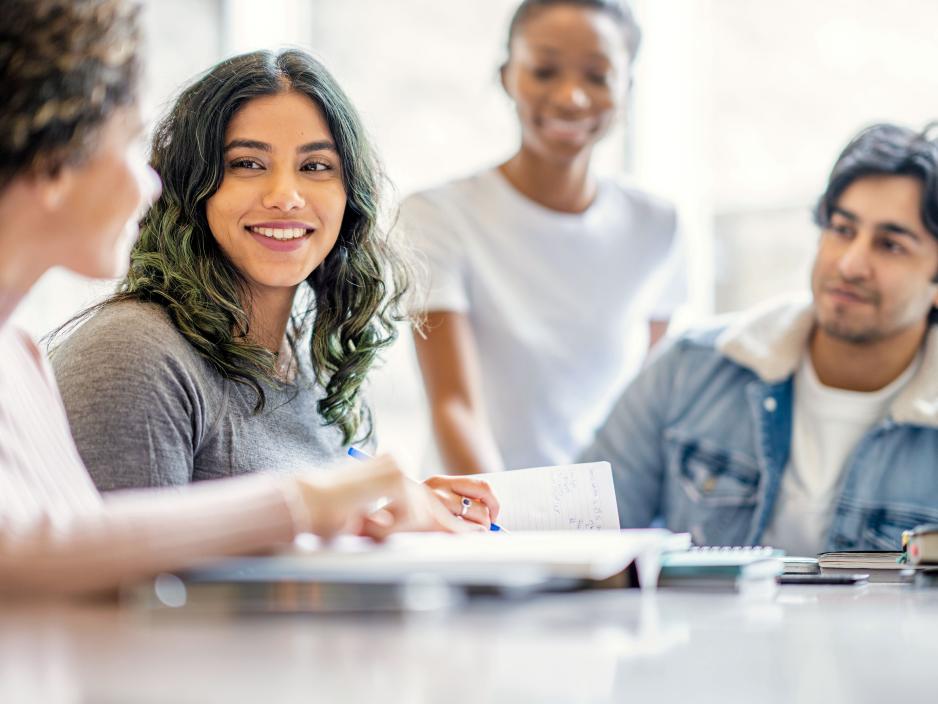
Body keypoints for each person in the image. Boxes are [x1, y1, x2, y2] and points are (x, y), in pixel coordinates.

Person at [0, 0, 495, 598]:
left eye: (316, 166)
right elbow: (110, 594)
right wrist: (311, 504)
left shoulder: (18, 355)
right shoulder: (131, 353)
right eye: (245, 164)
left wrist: (377, 515)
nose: (285, 195)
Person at [581, 122, 938, 554]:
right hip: (697, 623)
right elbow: (579, 538)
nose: (850, 264)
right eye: (842, 229)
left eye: (890, 245)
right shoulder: (690, 369)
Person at [401, 0, 686, 475]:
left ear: (627, 87)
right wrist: (506, 529)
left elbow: (648, 413)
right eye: (545, 70)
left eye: (597, 76)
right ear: (507, 76)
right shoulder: (436, 215)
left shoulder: (657, 226)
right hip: (480, 516)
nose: (571, 97)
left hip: (613, 520)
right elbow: (454, 406)